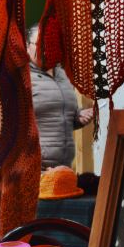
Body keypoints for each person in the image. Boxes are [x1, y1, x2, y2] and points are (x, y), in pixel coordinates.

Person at [26, 26, 92, 169]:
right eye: (39, 44)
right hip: (35, 170)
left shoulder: (63, 75)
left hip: (63, 168)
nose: (45, 48)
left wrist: (77, 118)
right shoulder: (22, 78)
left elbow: (57, 117)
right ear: (28, 47)